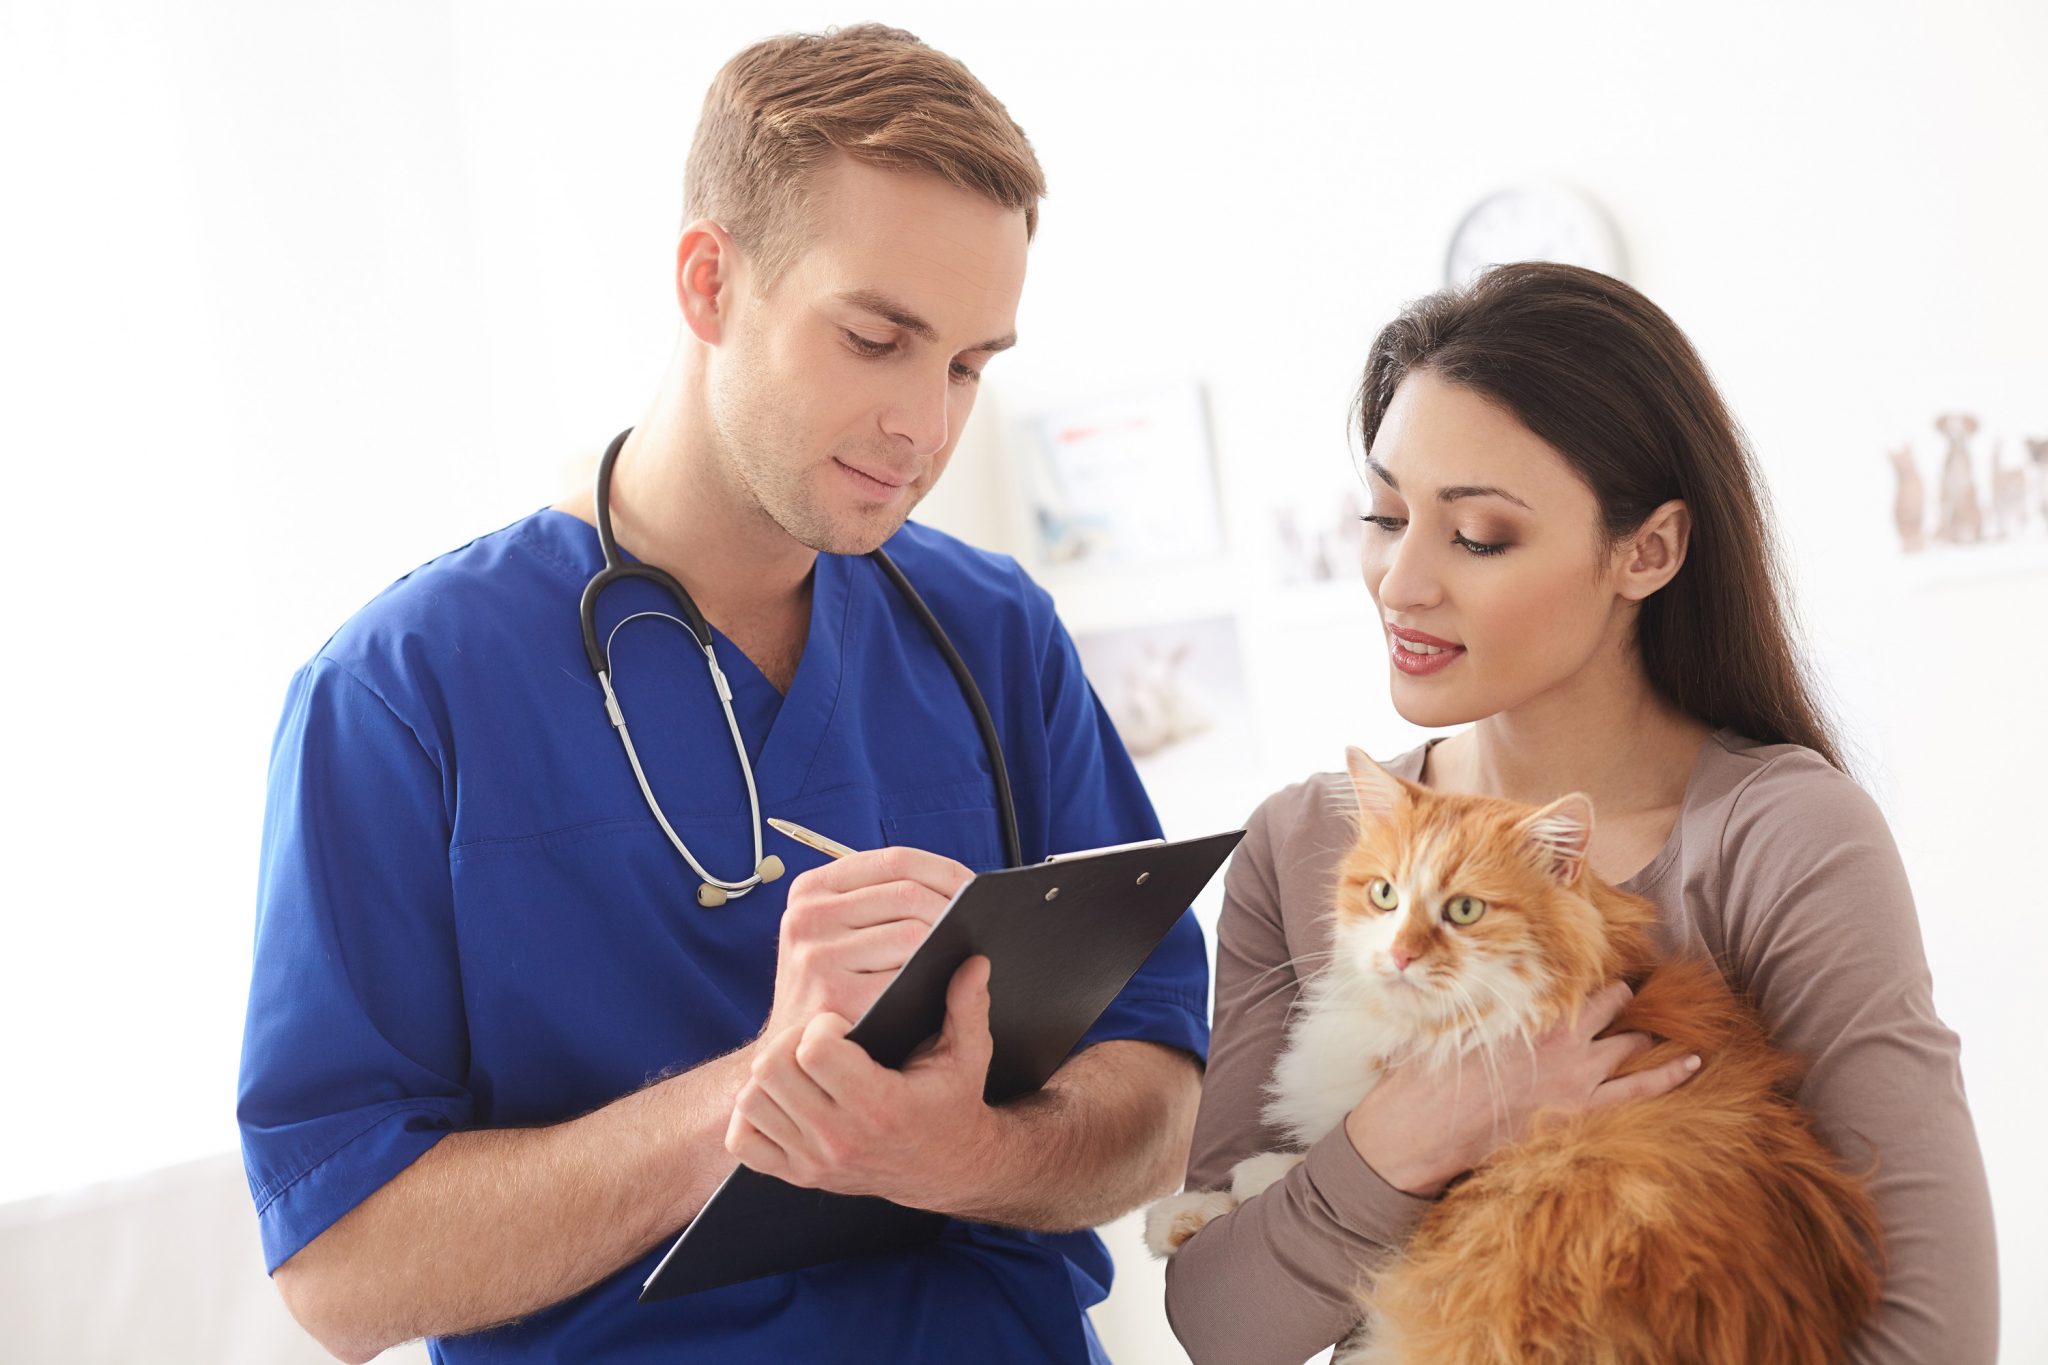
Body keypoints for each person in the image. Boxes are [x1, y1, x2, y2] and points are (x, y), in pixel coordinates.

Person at [236, 26, 1207, 1365]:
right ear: (709, 281)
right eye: (877, 339)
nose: (924, 427)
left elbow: (1157, 1086)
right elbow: (341, 1271)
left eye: (970, 365)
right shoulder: (403, 695)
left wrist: (969, 1150)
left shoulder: (993, 635)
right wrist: (759, 1095)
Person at [1162, 263, 1998, 1363]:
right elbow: (1222, 1326)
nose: (1397, 581)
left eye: (1476, 537)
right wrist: (1423, 1129)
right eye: (1383, 515)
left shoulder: (1780, 834)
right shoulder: (1307, 841)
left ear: (1644, 552)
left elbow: (1933, 1337)